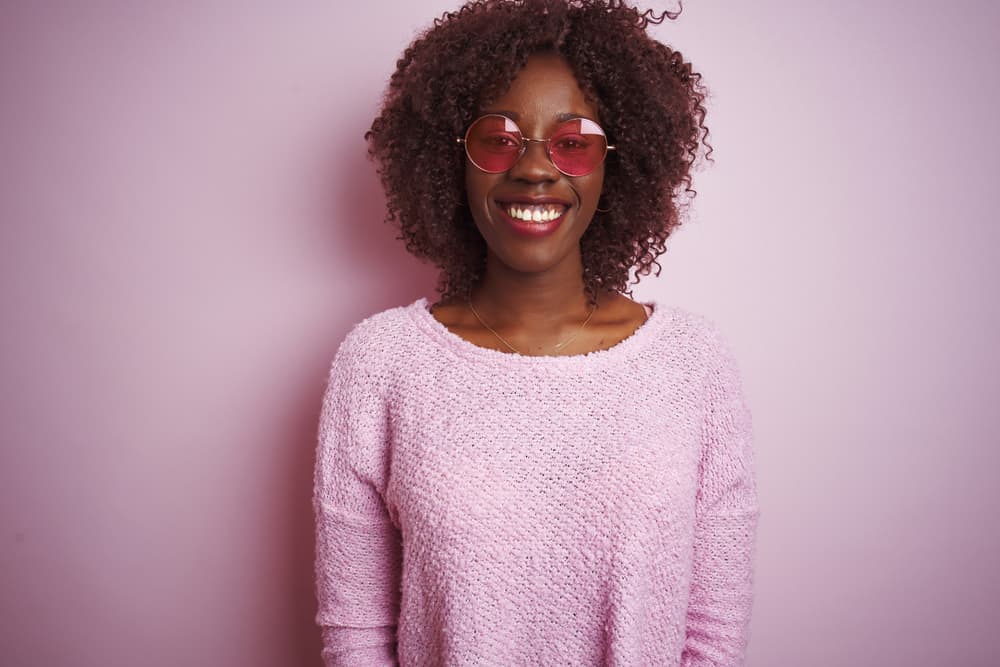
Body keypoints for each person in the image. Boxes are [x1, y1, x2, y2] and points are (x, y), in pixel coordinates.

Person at [312, 1, 760, 665]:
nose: (534, 167)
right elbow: (356, 639)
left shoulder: (694, 365)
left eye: (572, 141)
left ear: (616, 162)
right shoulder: (381, 364)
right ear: (451, 159)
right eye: (499, 137)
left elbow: (712, 637)